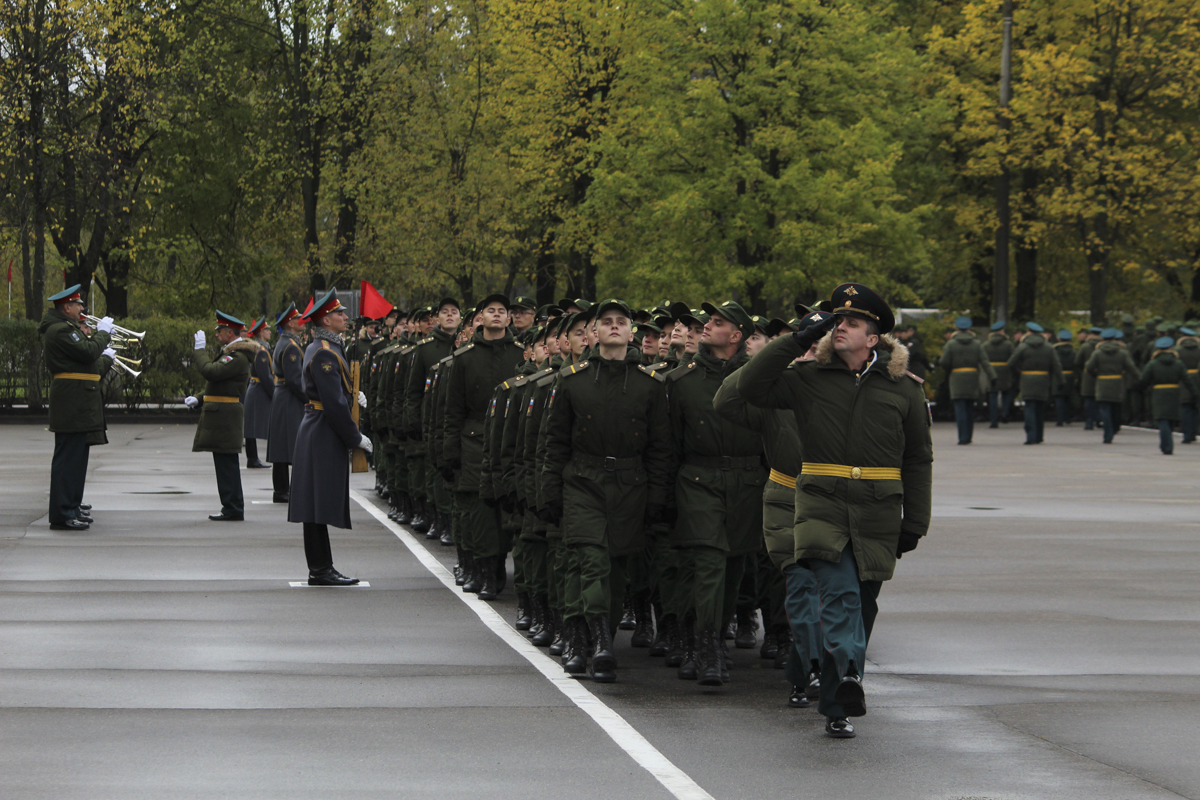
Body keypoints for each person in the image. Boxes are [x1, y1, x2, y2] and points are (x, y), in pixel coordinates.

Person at [737, 283, 933, 740]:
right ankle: (848, 676)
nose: (840, 327)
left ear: (875, 338)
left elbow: (918, 458)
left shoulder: (902, 389)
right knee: (842, 594)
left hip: (878, 515)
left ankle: (838, 700)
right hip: (822, 508)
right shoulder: (808, 378)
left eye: (852, 322)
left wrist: (916, 522)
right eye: (836, 320)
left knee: (862, 608)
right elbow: (749, 385)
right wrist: (797, 339)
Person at [539, 299, 671, 682]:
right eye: (606, 322)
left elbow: (660, 448)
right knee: (591, 560)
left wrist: (658, 498)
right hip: (583, 481)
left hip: (630, 487)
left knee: (614, 570)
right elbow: (555, 442)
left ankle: (591, 640)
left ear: (632, 332)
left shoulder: (649, 385)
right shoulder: (573, 379)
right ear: (594, 333)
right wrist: (549, 492)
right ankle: (595, 642)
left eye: (622, 322)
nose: (614, 327)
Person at [665, 300, 765, 688]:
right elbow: (669, 444)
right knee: (708, 564)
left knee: (735, 568)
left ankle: (713, 639)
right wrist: (665, 498)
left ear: (736, 335)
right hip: (699, 481)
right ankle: (705, 646)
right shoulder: (681, 380)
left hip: (747, 483)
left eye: (717, 322)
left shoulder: (757, 379)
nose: (706, 326)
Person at [443, 294, 526, 599]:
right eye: (490, 311)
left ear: (509, 319)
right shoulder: (464, 358)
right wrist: (451, 452)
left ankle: (499, 566)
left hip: (511, 440)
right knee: (479, 511)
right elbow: (453, 411)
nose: (496, 315)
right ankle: (484, 570)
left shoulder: (520, 356)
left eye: (501, 311)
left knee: (505, 509)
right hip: (474, 440)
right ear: (481, 317)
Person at [287, 290, 372, 585]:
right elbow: (333, 403)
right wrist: (354, 436)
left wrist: (352, 393)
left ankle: (322, 567)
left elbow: (336, 391)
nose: (346, 318)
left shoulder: (327, 346)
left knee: (316, 503)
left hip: (319, 427)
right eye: (340, 314)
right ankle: (320, 569)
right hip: (322, 429)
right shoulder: (324, 350)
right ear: (326, 318)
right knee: (316, 503)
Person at [39, 285, 115, 531]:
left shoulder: (66, 328)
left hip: (77, 401)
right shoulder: (61, 330)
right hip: (71, 402)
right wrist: (103, 335)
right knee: (67, 461)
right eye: (78, 304)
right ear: (67, 307)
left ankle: (70, 507)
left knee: (76, 459)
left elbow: (88, 360)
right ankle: (62, 514)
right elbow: (89, 351)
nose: (83, 308)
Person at [186, 312, 257, 521]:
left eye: (219, 331)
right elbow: (220, 384)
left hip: (225, 417)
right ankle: (231, 506)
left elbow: (211, 372)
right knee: (226, 464)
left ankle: (233, 508)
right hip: (223, 416)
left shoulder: (236, 357)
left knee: (227, 466)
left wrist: (199, 351)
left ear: (228, 332)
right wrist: (199, 399)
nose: (216, 335)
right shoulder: (233, 354)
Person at [267, 303, 307, 503]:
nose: (303, 321)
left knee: (282, 446)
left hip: (282, 396)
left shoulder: (286, 341)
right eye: (299, 318)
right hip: (289, 399)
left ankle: (281, 490)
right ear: (290, 323)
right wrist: (309, 398)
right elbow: (294, 380)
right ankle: (283, 491)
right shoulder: (291, 346)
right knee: (289, 446)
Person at [1133, 337, 1197, 455]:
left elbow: (1144, 379)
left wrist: (1140, 389)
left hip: (1159, 392)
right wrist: (1194, 393)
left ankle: (1166, 445)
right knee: (1171, 419)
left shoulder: (1153, 363)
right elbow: (1187, 380)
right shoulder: (1178, 363)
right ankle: (1167, 444)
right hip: (1174, 392)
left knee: (1162, 419)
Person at [938, 317, 996, 445]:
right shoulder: (976, 344)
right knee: (970, 407)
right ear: (969, 329)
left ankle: (962, 437)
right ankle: (969, 436)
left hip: (957, 377)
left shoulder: (951, 344)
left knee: (960, 408)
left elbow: (944, 361)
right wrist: (992, 376)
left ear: (957, 329)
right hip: (972, 377)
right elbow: (984, 361)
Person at [1007, 322, 1063, 445]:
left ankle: (1030, 436)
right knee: (1040, 408)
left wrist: (1019, 372)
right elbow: (1056, 365)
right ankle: (1039, 436)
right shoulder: (1049, 347)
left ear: (1028, 331)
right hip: (1043, 379)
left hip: (1027, 379)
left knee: (1029, 407)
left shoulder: (1023, 347)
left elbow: (1011, 363)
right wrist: (1061, 381)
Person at [1085, 328, 1139, 444]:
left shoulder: (1097, 352)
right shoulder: (1122, 352)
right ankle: (1115, 428)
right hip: (1118, 382)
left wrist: (1096, 374)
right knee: (1116, 408)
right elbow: (1132, 368)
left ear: (1103, 339)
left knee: (1104, 409)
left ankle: (1107, 433)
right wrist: (1140, 379)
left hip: (1102, 382)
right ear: (1114, 339)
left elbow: (1089, 367)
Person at [242, 318, 273, 468]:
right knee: (252, 426)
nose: (270, 332)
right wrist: (273, 393)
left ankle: (252, 458)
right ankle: (252, 458)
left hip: (256, 389)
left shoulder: (261, 348)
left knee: (251, 426)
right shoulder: (261, 350)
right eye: (267, 330)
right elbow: (265, 375)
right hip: (259, 390)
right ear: (261, 333)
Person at [983, 321, 1014, 427]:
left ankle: (993, 421)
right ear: (1002, 331)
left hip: (991, 370)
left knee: (992, 396)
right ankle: (1005, 413)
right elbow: (1013, 357)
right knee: (1006, 393)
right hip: (1005, 369)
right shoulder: (1008, 344)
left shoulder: (986, 344)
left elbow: (983, 358)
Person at [1176, 328, 1200, 443]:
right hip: (1198, 378)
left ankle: (1187, 434)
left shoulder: (1178, 350)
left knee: (1185, 407)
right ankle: (1195, 431)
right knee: (1196, 406)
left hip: (1183, 379)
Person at [1052, 330, 1076, 425]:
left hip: (1058, 375)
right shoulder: (1074, 351)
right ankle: (1068, 418)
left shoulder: (1054, 351)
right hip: (1070, 375)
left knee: (1059, 397)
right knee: (1068, 397)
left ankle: (1059, 419)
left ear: (1058, 339)